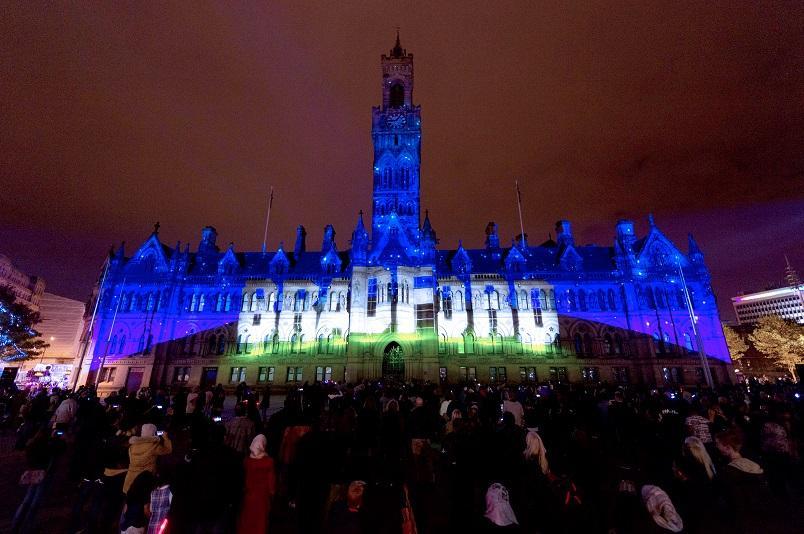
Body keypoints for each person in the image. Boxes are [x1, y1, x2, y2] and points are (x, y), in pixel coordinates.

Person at [237, 434, 276, 534]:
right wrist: (272, 493)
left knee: (248, 519)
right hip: (262, 497)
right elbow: (271, 482)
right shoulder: (269, 462)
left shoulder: (247, 461)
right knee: (261, 520)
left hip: (249, 495)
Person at [123, 424, 172, 494]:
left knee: (131, 498)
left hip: (130, 480)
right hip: (145, 480)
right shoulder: (154, 446)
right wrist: (166, 439)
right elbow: (168, 450)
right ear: (153, 433)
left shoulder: (132, 446)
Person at [147, 468, 173, 534]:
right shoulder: (169, 491)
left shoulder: (153, 492)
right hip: (163, 527)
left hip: (152, 525)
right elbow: (171, 510)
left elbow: (150, 510)